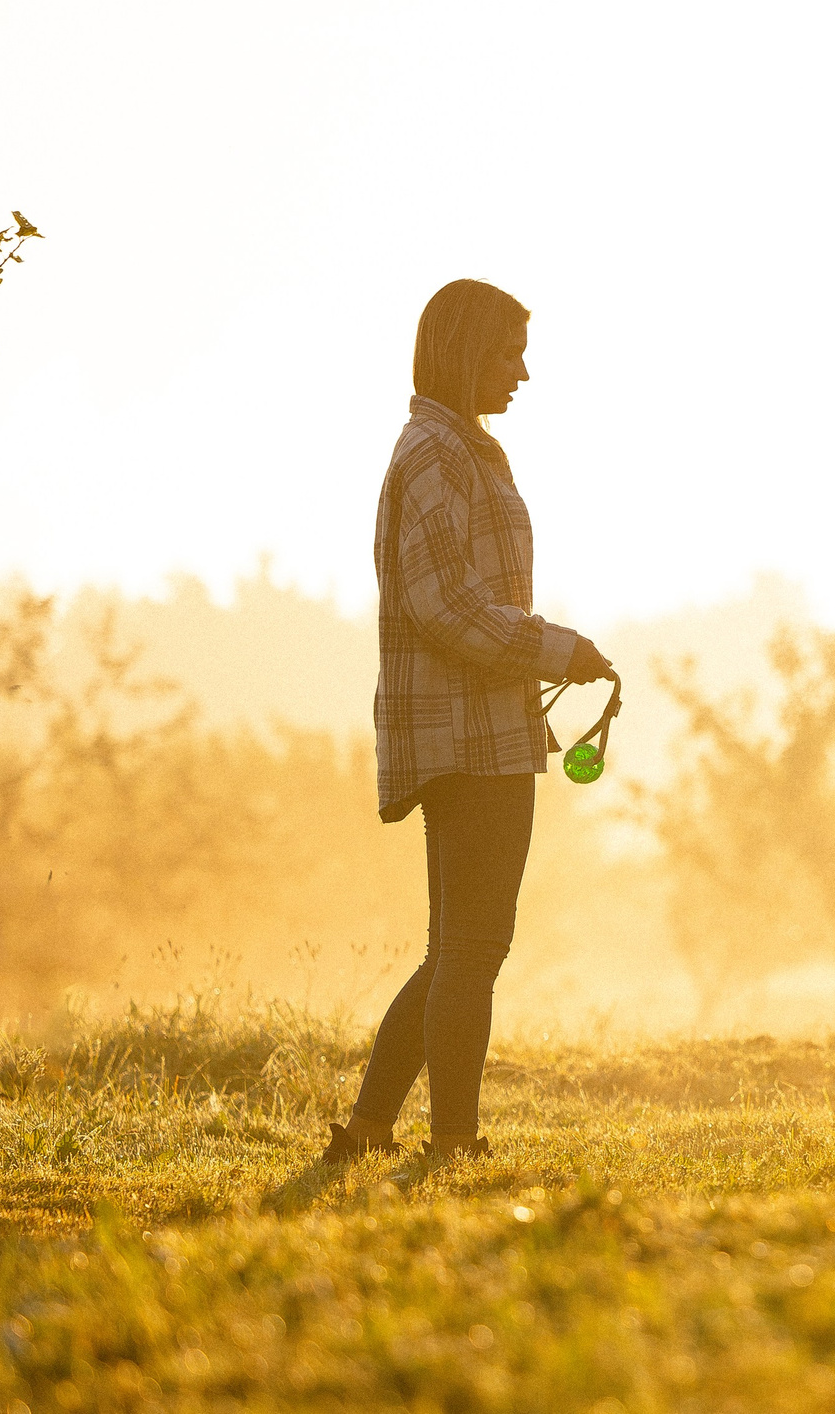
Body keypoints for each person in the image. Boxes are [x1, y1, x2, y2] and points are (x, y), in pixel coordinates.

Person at [322, 279, 617, 1167]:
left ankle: (366, 1132)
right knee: (475, 948)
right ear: (463, 354)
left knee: (456, 950)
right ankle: (452, 1142)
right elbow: (445, 603)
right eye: (507, 353)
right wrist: (556, 649)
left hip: (477, 728)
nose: (522, 373)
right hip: (468, 737)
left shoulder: (457, 449)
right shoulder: (438, 456)